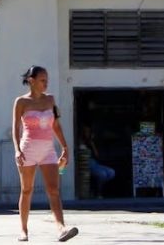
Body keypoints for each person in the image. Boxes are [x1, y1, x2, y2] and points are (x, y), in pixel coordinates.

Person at [13, 66, 78, 242]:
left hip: (48, 150)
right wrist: (17, 150)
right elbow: (15, 128)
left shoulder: (50, 100)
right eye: (42, 80)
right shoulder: (21, 102)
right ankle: (23, 230)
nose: (46, 83)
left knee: (53, 190)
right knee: (27, 190)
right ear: (31, 81)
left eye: (47, 80)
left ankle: (61, 228)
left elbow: (55, 125)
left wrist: (65, 147)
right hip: (28, 150)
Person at [80, 125, 115, 197]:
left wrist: (92, 143)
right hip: (87, 163)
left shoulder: (91, 142)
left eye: (88, 131)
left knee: (111, 172)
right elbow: (83, 152)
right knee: (102, 174)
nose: (87, 133)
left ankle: (96, 188)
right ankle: (98, 192)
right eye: (86, 131)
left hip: (95, 163)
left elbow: (97, 155)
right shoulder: (81, 142)